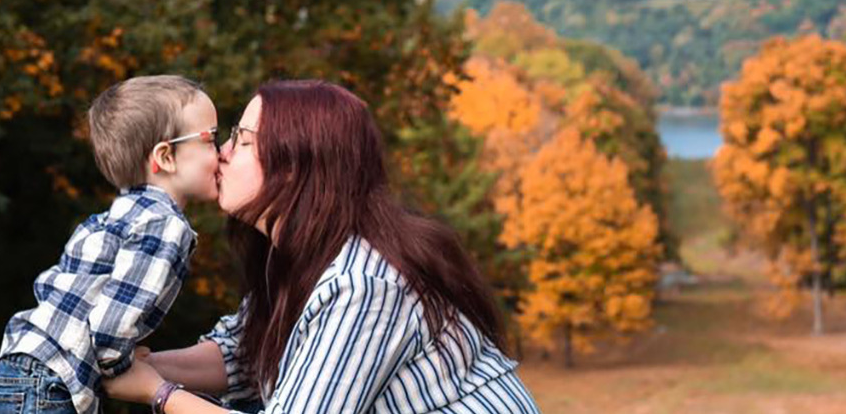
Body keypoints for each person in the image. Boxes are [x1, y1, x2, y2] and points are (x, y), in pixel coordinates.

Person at [104, 80, 540, 413]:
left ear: (296, 167)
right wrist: (118, 365)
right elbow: (241, 356)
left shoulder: (362, 284)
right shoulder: (297, 261)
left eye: (242, 139)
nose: (221, 153)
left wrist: (158, 393)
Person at [0, 75, 222, 414]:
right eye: (211, 140)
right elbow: (108, 331)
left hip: (24, 367)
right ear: (166, 156)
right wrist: (120, 365)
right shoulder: (163, 226)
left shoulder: (117, 215)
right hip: (51, 383)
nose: (221, 152)